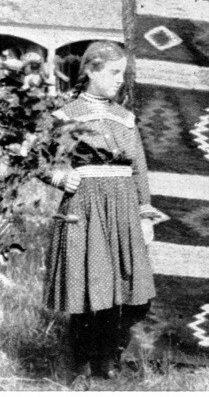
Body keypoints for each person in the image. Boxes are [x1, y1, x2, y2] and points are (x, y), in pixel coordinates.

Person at [42, 41, 158, 385]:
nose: (120, 80)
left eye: (123, 73)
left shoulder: (125, 118)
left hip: (123, 208)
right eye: (113, 72)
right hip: (85, 208)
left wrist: (145, 216)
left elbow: (139, 170)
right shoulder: (66, 114)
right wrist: (61, 177)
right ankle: (83, 363)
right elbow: (34, 159)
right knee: (89, 288)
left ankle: (107, 356)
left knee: (128, 293)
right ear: (91, 70)